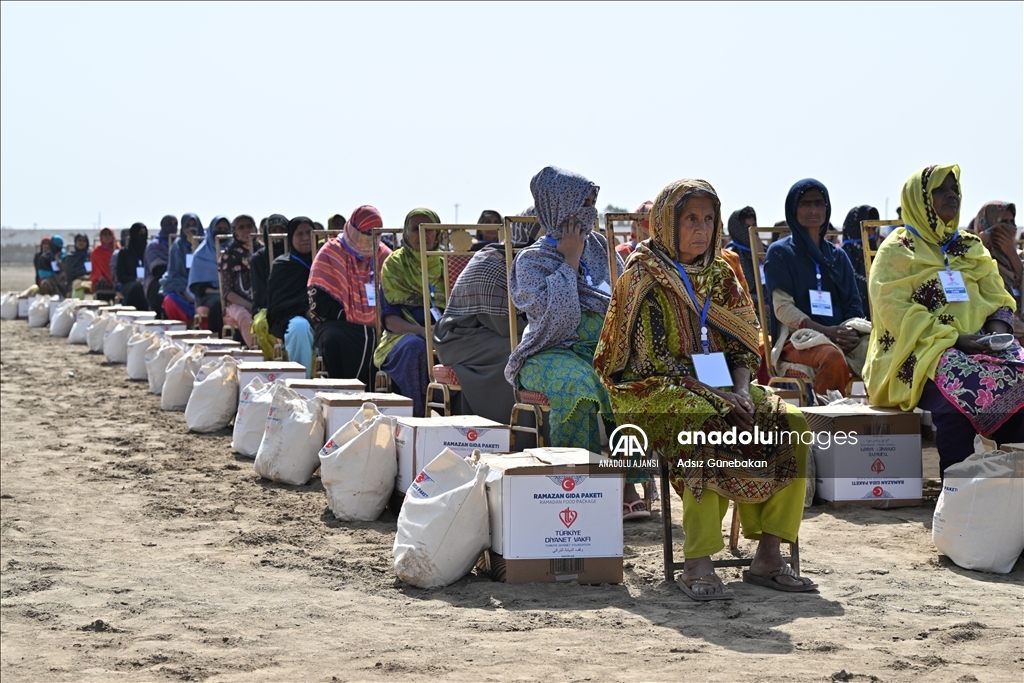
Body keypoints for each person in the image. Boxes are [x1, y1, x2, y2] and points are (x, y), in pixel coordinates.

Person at [594, 178, 816, 600]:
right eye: (690, 218)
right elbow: (648, 361)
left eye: (708, 219)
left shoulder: (721, 272)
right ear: (665, 222)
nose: (701, 228)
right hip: (652, 388)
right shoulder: (643, 276)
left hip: (723, 385)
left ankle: (770, 554)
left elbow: (746, 345)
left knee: (791, 422)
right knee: (704, 424)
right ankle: (697, 560)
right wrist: (719, 398)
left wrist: (739, 389)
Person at [864, 165, 1023, 476]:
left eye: (955, 188)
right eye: (941, 189)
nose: (952, 193)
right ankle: (957, 486)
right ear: (920, 198)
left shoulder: (970, 246)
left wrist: (996, 335)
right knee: (959, 391)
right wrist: (955, 339)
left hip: (982, 344)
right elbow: (895, 311)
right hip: (920, 350)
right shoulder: (896, 251)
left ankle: (1010, 479)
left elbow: (999, 297)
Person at [504, 166, 622, 453]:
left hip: (603, 350)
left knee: (632, 387)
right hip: (550, 352)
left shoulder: (602, 249)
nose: (589, 214)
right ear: (559, 207)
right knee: (578, 390)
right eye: (582, 205)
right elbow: (557, 322)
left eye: (592, 205)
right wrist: (570, 261)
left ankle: (629, 478)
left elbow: (624, 298)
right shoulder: (530, 262)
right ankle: (579, 480)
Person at [764, 179, 869, 397]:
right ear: (793, 209)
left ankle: (877, 422)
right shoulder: (780, 252)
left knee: (884, 350)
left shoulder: (838, 256)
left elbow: (853, 303)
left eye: (819, 203)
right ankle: (827, 421)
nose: (813, 209)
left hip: (839, 333)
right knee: (831, 357)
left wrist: (848, 331)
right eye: (805, 204)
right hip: (798, 339)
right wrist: (825, 331)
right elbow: (782, 308)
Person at [433, 211, 530, 424]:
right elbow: (505, 326)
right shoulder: (493, 264)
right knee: (519, 351)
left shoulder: (518, 262)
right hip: (457, 339)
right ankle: (508, 426)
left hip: (484, 334)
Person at [372, 208, 445, 417]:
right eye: (416, 229)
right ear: (406, 232)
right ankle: (419, 417)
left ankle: (460, 421)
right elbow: (390, 319)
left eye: (429, 229)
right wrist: (421, 331)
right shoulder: (394, 264)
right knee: (416, 348)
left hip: (444, 332)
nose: (423, 235)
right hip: (403, 336)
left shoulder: (446, 262)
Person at [309, 206, 391, 387]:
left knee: (391, 341)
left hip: (380, 323)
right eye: (366, 233)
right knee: (334, 338)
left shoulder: (384, 255)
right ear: (354, 230)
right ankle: (342, 393)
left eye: (375, 233)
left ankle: (377, 394)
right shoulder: (331, 252)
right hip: (339, 322)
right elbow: (320, 300)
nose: (370, 238)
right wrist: (354, 315)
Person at [267, 216, 316, 377]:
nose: (305, 238)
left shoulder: (325, 261)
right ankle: (303, 383)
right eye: (299, 234)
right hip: (292, 317)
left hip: (325, 316)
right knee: (300, 328)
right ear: (290, 237)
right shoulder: (282, 265)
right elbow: (278, 304)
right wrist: (306, 311)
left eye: (309, 233)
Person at [974, 201, 1023, 342]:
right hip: (998, 332)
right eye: (1002, 222)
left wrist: (1013, 255)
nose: (1008, 227)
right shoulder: (976, 258)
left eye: (1011, 222)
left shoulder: (1019, 256)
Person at [219, 215, 258, 346]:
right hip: (237, 303)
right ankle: (256, 353)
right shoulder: (229, 254)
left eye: (249, 226)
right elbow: (228, 292)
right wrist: (249, 305)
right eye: (241, 227)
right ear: (234, 232)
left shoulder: (264, 250)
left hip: (262, 300)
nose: (246, 230)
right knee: (244, 316)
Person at [188, 215, 231, 333]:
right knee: (217, 305)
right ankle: (218, 338)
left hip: (233, 292)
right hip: (211, 294)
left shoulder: (234, 252)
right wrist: (219, 292)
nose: (222, 232)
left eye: (225, 229)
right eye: (219, 229)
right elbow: (197, 287)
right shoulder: (201, 254)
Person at [160, 213, 203, 323]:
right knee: (169, 300)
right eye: (188, 225)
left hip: (203, 289)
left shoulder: (206, 244)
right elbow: (174, 273)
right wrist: (185, 291)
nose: (191, 228)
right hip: (182, 289)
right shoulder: (178, 246)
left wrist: (196, 248)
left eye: (194, 225)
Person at [841, 205, 880, 321]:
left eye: (873, 229)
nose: (871, 235)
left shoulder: (878, 258)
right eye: (867, 229)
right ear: (855, 229)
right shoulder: (839, 258)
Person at [250, 213, 288, 315]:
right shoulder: (258, 259)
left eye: (281, 230)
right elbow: (260, 293)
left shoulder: (294, 256)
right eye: (274, 231)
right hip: (265, 308)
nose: (278, 234)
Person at [143, 215, 177, 315]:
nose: (172, 227)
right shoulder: (154, 245)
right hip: (157, 280)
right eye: (169, 224)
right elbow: (158, 270)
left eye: (175, 224)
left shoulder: (179, 245)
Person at [116, 223, 149, 309]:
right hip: (129, 283)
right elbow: (121, 275)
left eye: (144, 233)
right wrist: (135, 279)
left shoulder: (149, 251)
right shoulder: (124, 252)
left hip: (147, 281)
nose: (142, 235)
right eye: (140, 232)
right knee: (137, 288)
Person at [91, 228, 119, 301]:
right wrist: (99, 276)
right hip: (103, 280)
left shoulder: (118, 249)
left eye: (109, 234)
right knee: (100, 286)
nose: (107, 237)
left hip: (117, 279)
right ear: (101, 237)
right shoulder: (96, 252)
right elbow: (95, 268)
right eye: (105, 235)